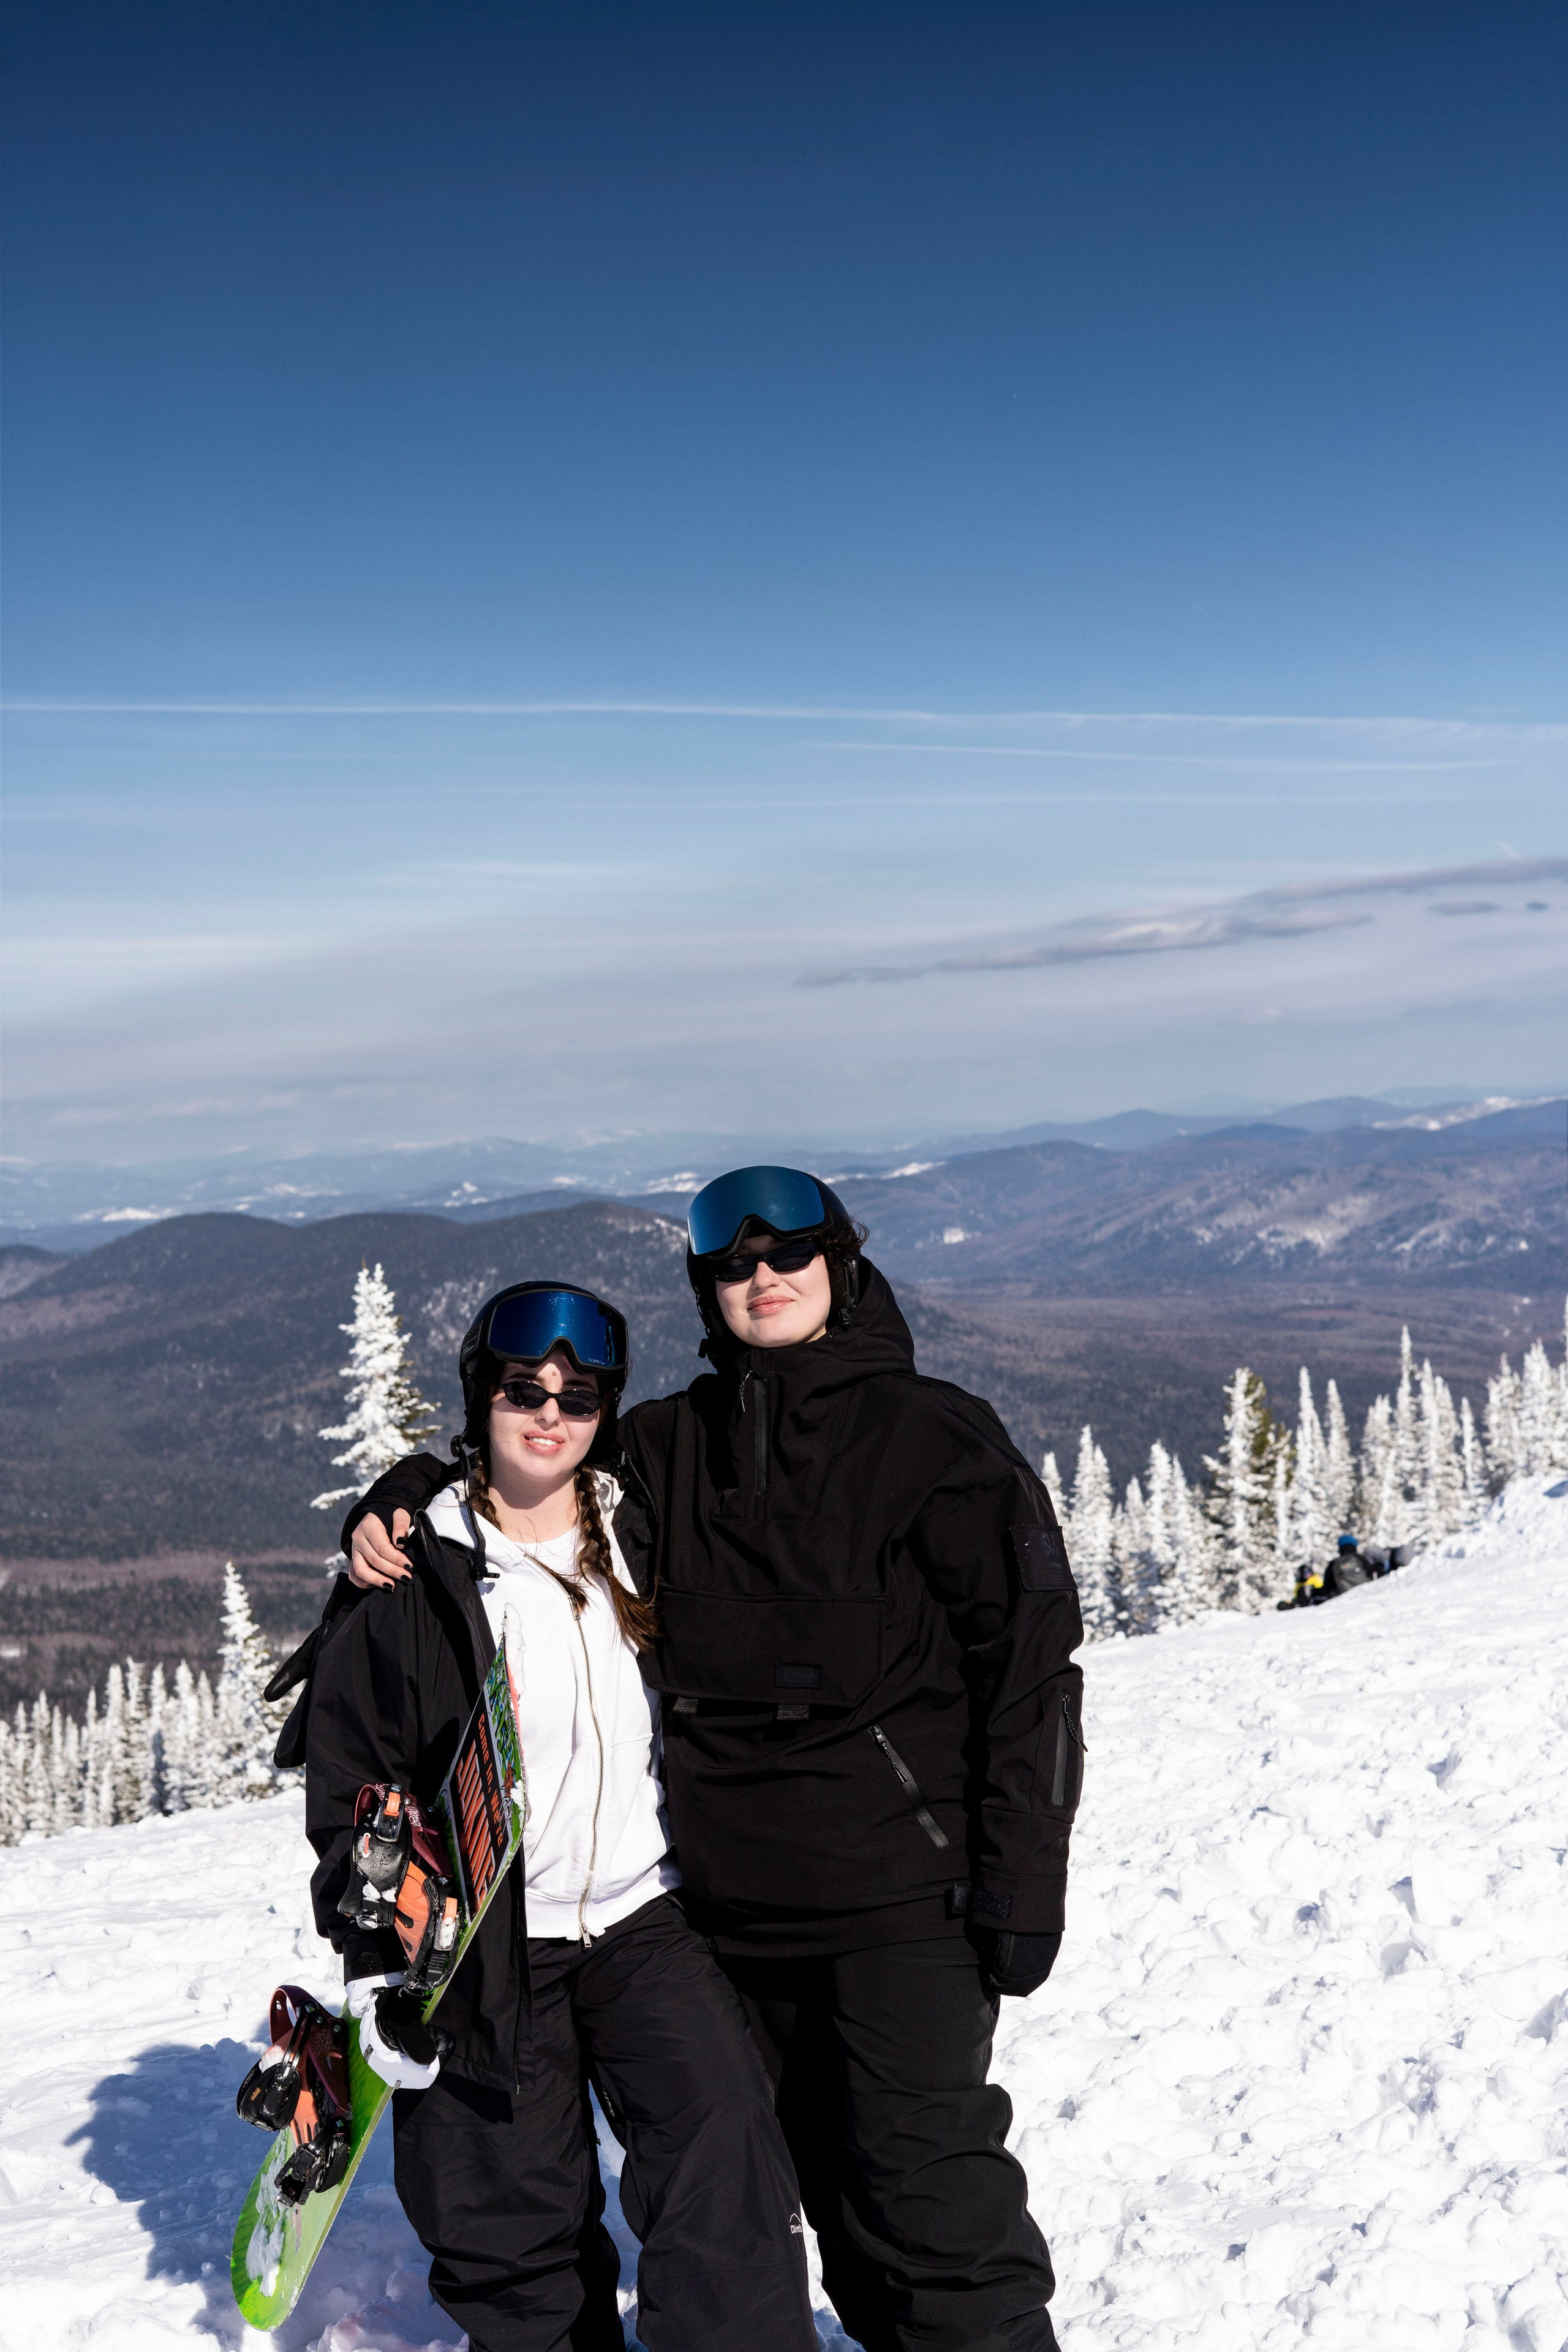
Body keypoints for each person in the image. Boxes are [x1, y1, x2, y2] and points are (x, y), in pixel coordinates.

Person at [344, 1173, 1085, 2352]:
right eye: (736, 1265)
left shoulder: (937, 1440)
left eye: (792, 1252)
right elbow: (528, 1462)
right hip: (732, 1920)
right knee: (819, 2194)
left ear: (841, 1264)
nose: (764, 1276)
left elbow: (1034, 1677)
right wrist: (399, 1497)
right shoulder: (671, 1447)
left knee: (929, 2188)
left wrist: (1019, 1883)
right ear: (709, 1288)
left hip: (903, 1906)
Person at [288, 1280, 815, 2352]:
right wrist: (383, 1946)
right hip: (486, 1945)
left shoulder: (643, 1525)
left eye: (577, 1401)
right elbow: (350, 1787)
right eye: (524, 1390)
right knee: (510, 2222)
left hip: (640, 1922)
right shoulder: (414, 1580)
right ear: (482, 1398)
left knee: (727, 2163)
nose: (548, 1416)